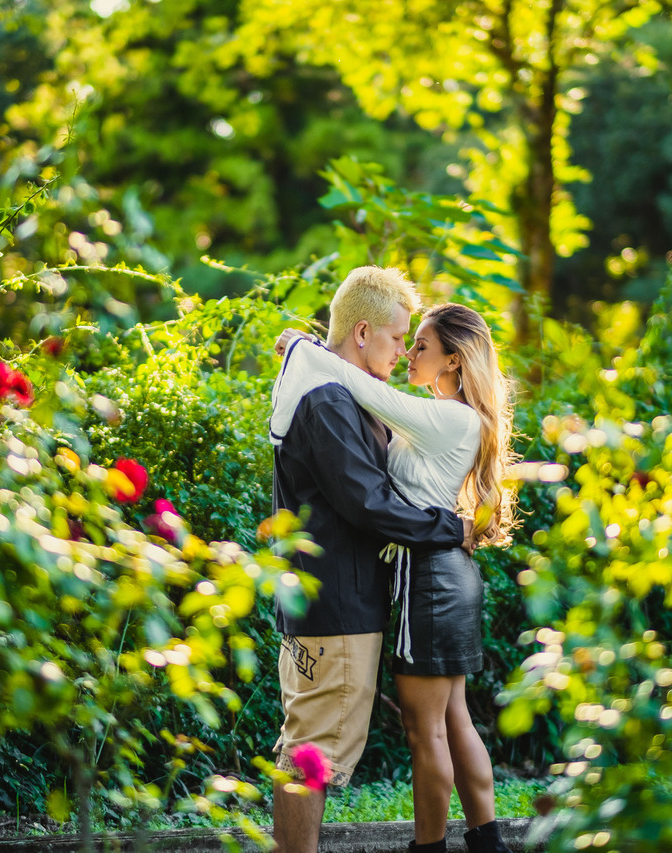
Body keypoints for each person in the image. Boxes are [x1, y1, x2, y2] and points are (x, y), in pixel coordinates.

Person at [276, 301, 517, 853]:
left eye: (422, 347)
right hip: (446, 572)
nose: (409, 354)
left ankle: (429, 847)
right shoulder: (443, 415)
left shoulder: (448, 417)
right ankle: (487, 839)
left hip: (429, 577)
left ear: (453, 362)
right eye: (408, 343)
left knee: (424, 729)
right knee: (454, 718)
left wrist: (303, 350)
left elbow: (366, 390)